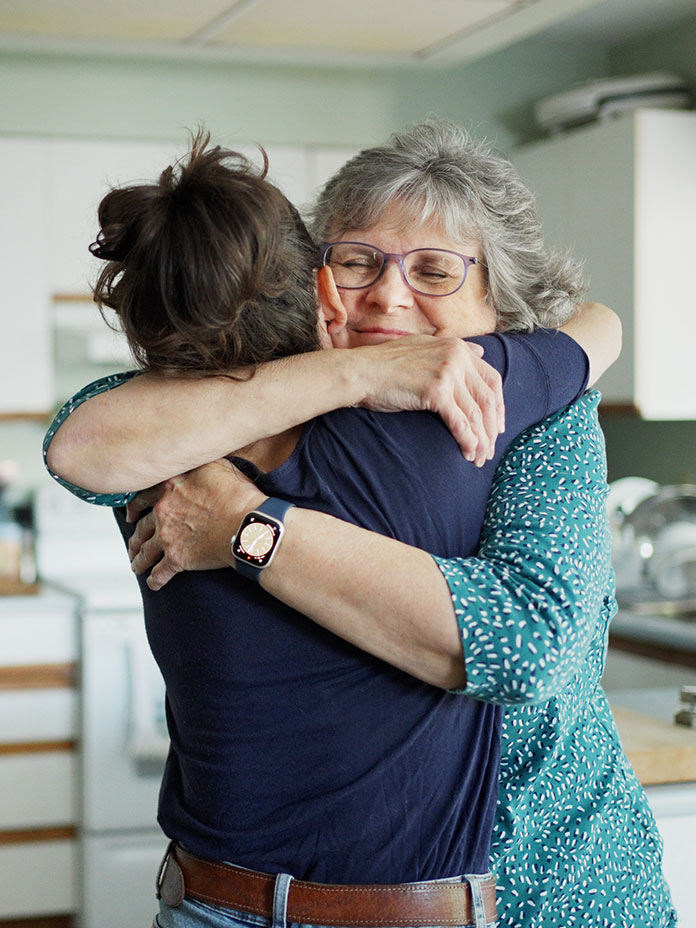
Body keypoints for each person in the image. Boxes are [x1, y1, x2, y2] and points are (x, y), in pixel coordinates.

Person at [43, 121, 674, 928]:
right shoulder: (213, 405)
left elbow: (523, 641)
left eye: (436, 271)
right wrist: (359, 371)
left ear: (500, 305)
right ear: (314, 280)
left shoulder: (533, 413)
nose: (388, 294)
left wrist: (245, 524)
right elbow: (81, 440)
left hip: (549, 881)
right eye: (357, 260)